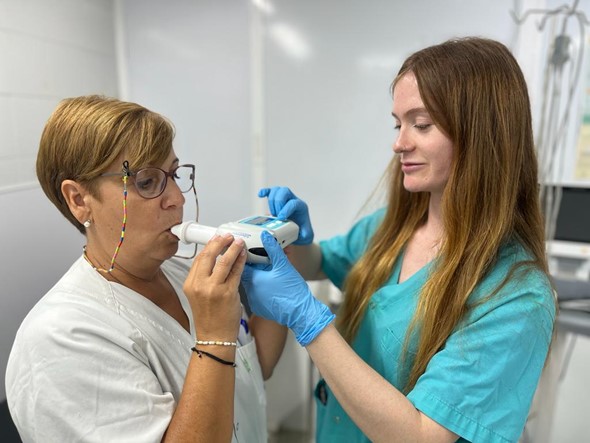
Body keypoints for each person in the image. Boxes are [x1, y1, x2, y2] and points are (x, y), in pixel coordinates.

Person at [241, 37, 557, 443]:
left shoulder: (515, 295)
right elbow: (320, 261)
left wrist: (308, 320)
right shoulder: (393, 227)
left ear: (481, 134)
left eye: (421, 125)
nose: (399, 143)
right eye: (398, 123)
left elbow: (423, 435)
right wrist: (290, 241)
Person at [5, 95, 287, 442]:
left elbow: (257, 368)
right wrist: (214, 335)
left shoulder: (186, 276)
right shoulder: (61, 337)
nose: (177, 199)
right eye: (147, 182)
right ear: (79, 200)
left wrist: (281, 278)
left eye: (173, 175)